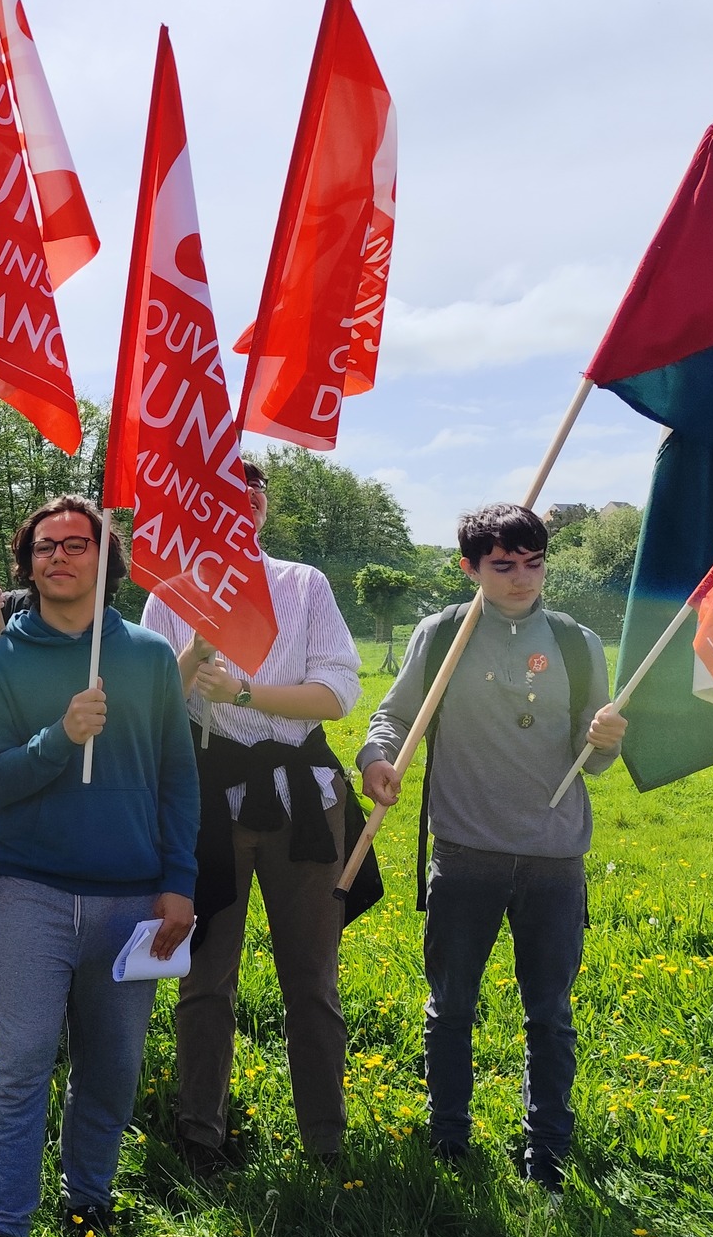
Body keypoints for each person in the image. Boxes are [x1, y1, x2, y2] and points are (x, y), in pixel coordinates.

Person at [359, 503, 627, 1193]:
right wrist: (377, 757)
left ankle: (548, 1151)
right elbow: (394, 715)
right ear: (469, 567)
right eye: (503, 565)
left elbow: (595, 761)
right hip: (465, 853)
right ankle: (449, 1138)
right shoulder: (442, 634)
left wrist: (604, 742)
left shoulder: (576, 643)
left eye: (534, 563)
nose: (522, 578)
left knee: (550, 1014)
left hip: (554, 859)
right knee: (451, 1005)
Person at [0, 495, 199, 1237]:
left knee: (113, 1063)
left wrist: (179, 881)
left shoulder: (150, 657)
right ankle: (1, 1224)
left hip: (134, 899)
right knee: (23, 1055)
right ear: (27, 562)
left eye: (76, 545)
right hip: (29, 892)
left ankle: (88, 1197)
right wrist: (60, 737)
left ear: (106, 561)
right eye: (44, 546)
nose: (58, 557)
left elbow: (178, 779)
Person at [139, 459, 368, 1174]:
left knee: (312, 976)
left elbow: (338, 693)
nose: (244, 502)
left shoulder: (304, 584)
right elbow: (153, 701)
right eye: (226, 492)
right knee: (206, 976)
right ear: (197, 504)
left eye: (255, 491)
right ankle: (200, 1133)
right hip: (209, 800)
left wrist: (244, 692)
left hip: (304, 800)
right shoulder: (170, 594)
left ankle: (324, 1138)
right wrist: (193, 655)